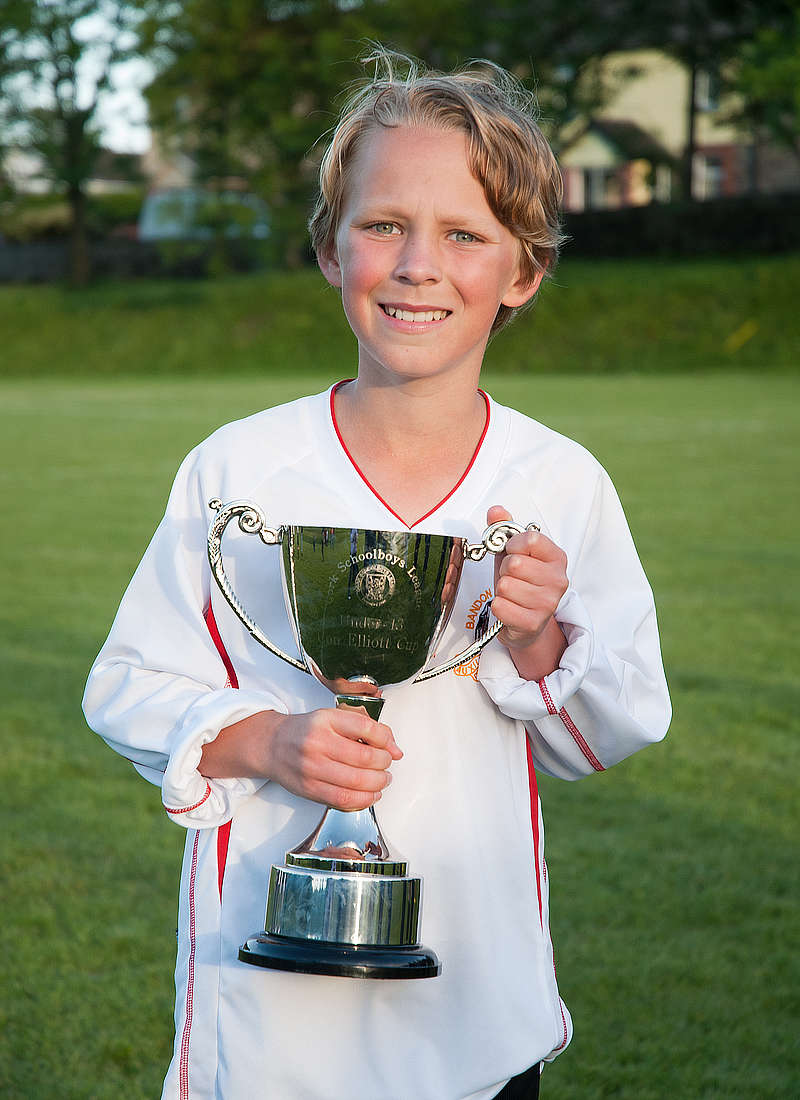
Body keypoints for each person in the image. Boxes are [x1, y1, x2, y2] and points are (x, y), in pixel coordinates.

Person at [83, 49, 670, 1100]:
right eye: (385, 225)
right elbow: (126, 683)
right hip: (269, 1015)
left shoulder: (559, 482)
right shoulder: (236, 470)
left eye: (464, 235)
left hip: (475, 1004)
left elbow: (605, 733)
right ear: (329, 247)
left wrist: (537, 635)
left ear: (523, 272)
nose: (417, 266)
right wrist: (268, 742)